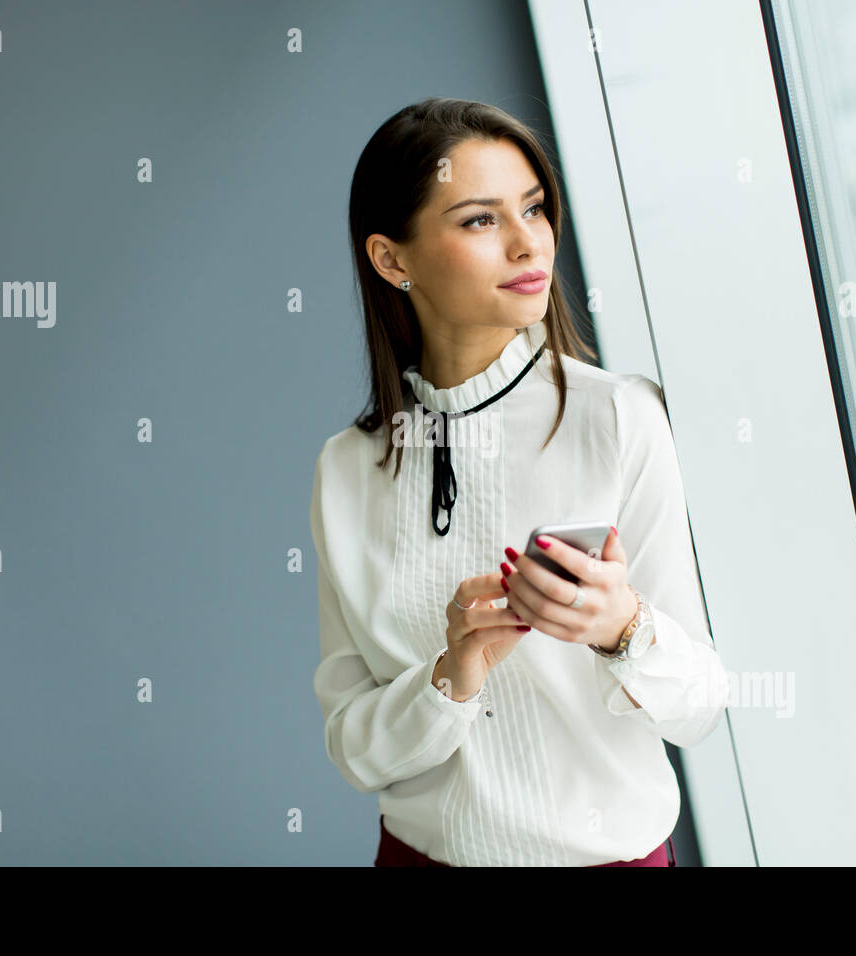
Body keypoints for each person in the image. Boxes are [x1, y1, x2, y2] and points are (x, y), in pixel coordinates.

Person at [311, 97, 730, 867]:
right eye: (480, 219)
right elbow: (354, 751)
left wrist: (623, 627)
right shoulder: (346, 470)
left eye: (533, 208)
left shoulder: (620, 419)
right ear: (392, 260)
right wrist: (451, 678)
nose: (527, 240)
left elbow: (700, 706)